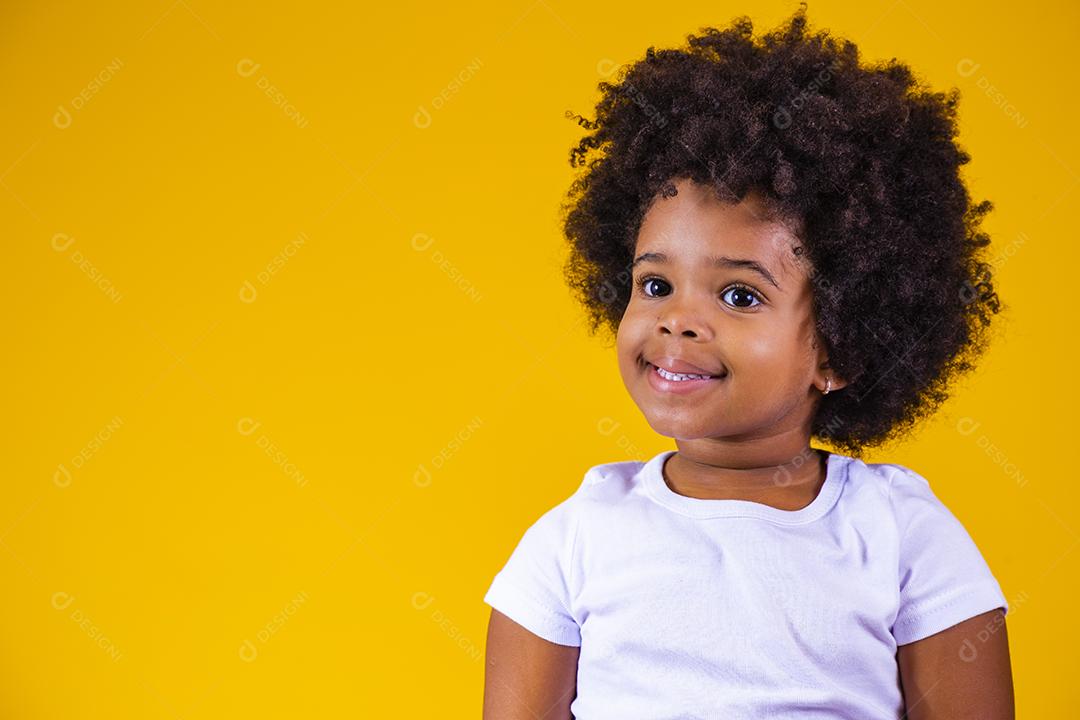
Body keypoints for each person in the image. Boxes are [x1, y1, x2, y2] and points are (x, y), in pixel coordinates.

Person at [482, 3, 1013, 718]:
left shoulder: (901, 533)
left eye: (738, 294)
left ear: (839, 346)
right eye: (656, 284)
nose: (678, 318)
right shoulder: (574, 540)